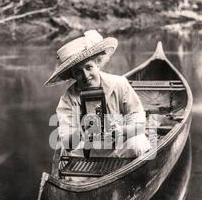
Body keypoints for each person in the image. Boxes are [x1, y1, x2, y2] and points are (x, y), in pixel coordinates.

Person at [44, 30, 150, 158]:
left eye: (89, 68)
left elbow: (139, 121)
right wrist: (81, 131)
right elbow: (66, 143)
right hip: (88, 155)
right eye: (78, 72)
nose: (86, 76)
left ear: (97, 63)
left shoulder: (119, 84)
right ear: (73, 76)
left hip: (121, 149)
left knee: (137, 144)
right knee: (69, 154)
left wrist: (121, 130)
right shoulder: (68, 100)